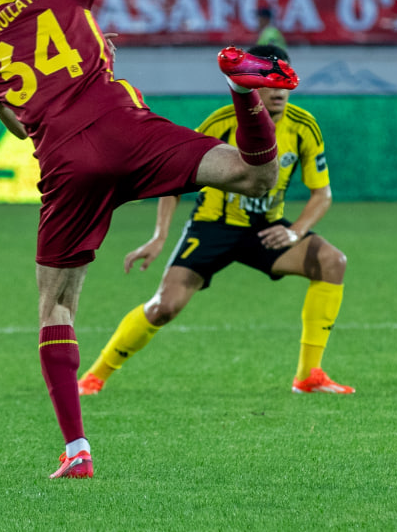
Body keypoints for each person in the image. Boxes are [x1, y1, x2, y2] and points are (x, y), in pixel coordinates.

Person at [0, 0, 299, 481]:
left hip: (63, 158)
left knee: (55, 303)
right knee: (254, 175)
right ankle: (242, 93)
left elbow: (18, 122)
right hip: (125, 126)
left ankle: (76, 450)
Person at [77, 44, 354, 398]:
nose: (278, 91)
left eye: (283, 81)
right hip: (212, 227)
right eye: (268, 82)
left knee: (332, 262)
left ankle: (308, 375)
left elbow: (322, 195)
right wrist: (160, 235)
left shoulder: (303, 127)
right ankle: (94, 377)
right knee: (165, 307)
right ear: (251, 84)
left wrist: (294, 231)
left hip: (264, 230)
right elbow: (173, 179)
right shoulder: (221, 122)